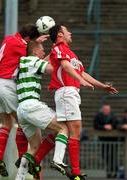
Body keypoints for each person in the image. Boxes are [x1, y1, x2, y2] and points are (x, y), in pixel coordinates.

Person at [48, 25, 119, 180]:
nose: (70, 33)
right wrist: (79, 80)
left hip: (71, 92)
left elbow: (83, 73)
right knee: (75, 130)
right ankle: (76, 172)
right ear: (60, 35)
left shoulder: (71, 53)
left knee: (64, 130)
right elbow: (66, 67)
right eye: (67, 31)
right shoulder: (58, 48)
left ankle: (41, 158)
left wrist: (103, 86)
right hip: (66, 91)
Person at [0, 24, 49, 177]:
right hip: (7, 85)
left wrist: (36, 41)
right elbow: (32, 54)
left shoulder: (9, 38)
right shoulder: (19, 45)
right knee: (24, 122)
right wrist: (37, 43)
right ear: (29, 39)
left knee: (7, 124)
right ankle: (22, 157)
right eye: (34, 40)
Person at [15, 41, 69, 180]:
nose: (43, 52)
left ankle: (19, 177)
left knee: (34, 147)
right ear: (34, 52)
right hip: (32, 105)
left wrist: (52, 53)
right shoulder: (33, 60)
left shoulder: (24, 61)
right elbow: (50, 69)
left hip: (21, 109)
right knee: (63, 128)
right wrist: (61, 58)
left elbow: (40, 62)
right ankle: (58, 161)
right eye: (41, 49)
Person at [94, 103, 118, 178]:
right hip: (103, 140)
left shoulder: (113, 116)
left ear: (110, 110)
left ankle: (114, 172)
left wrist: (111, 126)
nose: (106, 111)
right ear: (102, 109)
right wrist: (104, 127)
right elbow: (96, 125)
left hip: (113, 140)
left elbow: (116, 124)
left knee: (113, 156)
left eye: (107, 109)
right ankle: (109, 171)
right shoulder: (98, 116)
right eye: (105, 109)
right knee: (105, 156)